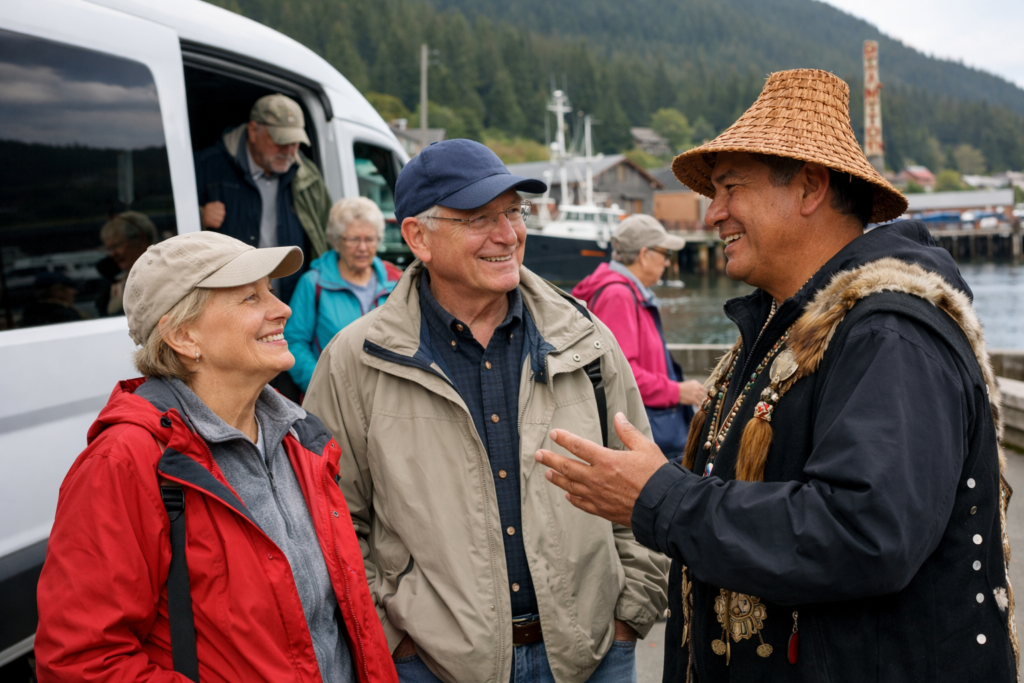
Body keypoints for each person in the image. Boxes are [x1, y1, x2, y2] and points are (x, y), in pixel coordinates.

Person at [534, 69, 1017, 682]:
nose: (713, 214)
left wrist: (660, 498)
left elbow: (866, 533)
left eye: (730, 187)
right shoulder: (785, 329)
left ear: (811, 187)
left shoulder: (889, 334)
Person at [303, 139, 669, 683]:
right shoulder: (355, 362)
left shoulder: (584, 338)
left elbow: (644, 481)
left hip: (592, 655)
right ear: (417, 237)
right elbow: (331, 521)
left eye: (513, 212)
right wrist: (394, 635)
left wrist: (628, 615)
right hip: (430, 666)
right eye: (479, 218)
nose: (508, 234)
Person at [35, 231, 397, 683]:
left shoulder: (299, 440)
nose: (282, 309)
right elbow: (81, 661)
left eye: (271, 291)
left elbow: (343, 620)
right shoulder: (126, 461)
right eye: (250, 297)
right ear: (184, 336)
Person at [571, 214, 705, 459]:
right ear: (644, 255)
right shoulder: (618, 295)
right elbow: (621, 374)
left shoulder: (620, 290)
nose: (667, 263)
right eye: (665, 254)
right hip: (641, 431)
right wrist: (676, 391)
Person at [194, 93, 332, 304]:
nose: (288, 151)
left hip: (292, 306)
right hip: (226, 303)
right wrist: (199, 216)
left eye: (294, 143)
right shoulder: (207, 166)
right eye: (280, 141)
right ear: (253, 131)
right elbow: (164, 225)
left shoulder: (308, 175)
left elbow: (327, 237)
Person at [285, 197, 403, 392]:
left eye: (369, 239)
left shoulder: (396, 281)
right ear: (336, 240)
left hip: (386, 397)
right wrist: (324, 387)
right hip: (334, 400)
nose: (363, 248)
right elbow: (294, 343)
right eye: (354, 239)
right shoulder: (314, 283)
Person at [99, 210, 157, 315]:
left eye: (116, 246)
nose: (112, 254)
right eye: (109, 249)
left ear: (141, 239)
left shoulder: (163, 276)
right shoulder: (114, 286)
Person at [22, 271, 89, 327]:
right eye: (70, 287)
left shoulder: (31, 312)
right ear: (57, 290)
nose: (74, 291)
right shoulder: (64, 315)